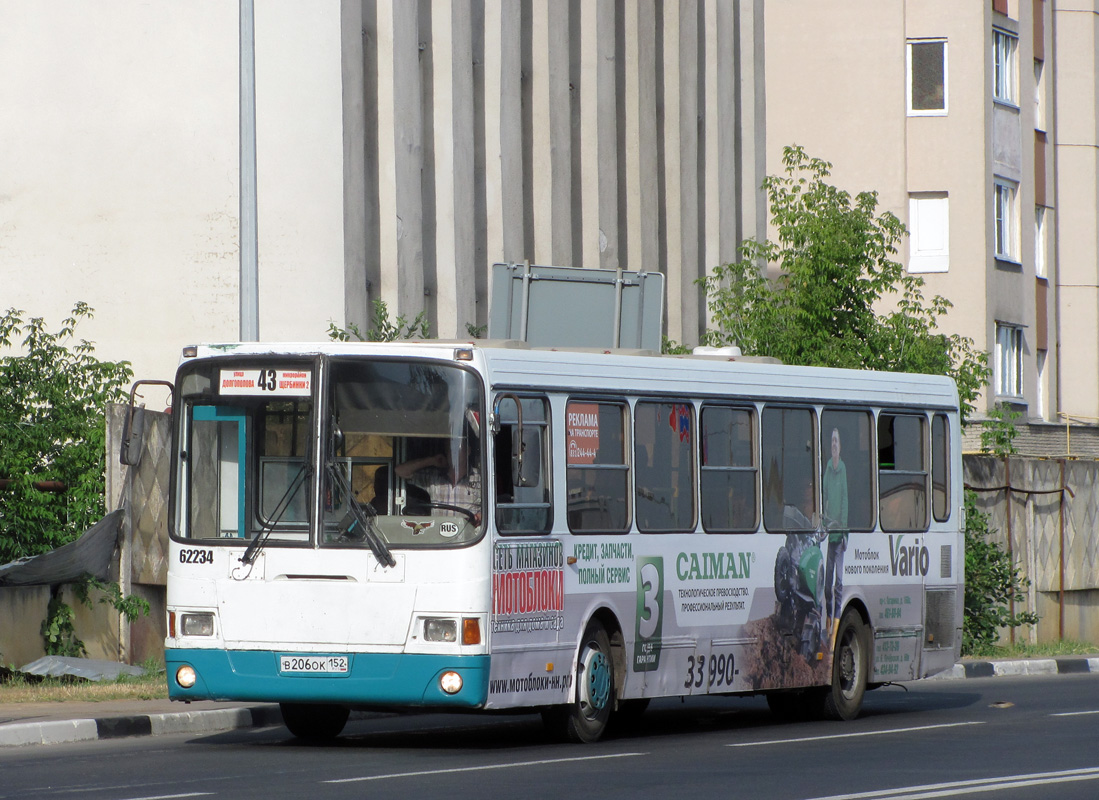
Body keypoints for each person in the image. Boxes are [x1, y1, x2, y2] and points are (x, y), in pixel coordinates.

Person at [394, 436, 481, 520]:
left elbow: (492, 505)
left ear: (468, 450)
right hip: (437, 532)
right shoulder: (434, 477)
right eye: (450, 448)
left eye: (458, 448)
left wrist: (482, 516)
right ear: (446, 452)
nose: (454, 452)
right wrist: (431, 461)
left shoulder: (480, 478)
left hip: (471, 534)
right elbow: (400, 471)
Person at [822, 427, 849, 632]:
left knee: (839, 583)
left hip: (840, 535)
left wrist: (844, 530)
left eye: (836, 441)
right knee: (827, 583)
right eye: (832, 441)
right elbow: (825, 497)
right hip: (829, 534)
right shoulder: (828, 469)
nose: (834, 444)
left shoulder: (843, 469)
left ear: (840, 447)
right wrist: (824, 522)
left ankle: (836, 622)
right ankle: (828, 620)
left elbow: (844, 500)